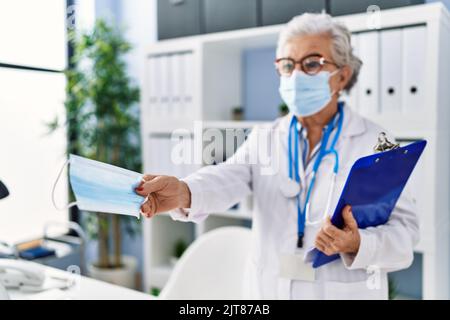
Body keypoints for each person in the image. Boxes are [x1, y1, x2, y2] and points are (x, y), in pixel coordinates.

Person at [135, 13, 418, 300]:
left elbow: (405, 234)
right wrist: (184, 191)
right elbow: (227, 176)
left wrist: (358, 243)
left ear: (342, 76)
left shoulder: (376, 142)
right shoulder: (265, 137)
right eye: (287, 65)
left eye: (311, 64)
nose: (296, 75)